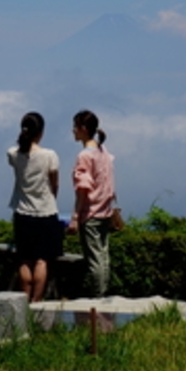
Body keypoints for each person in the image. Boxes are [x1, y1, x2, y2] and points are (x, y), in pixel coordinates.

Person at [7, 112, 63, 302]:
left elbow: (17, 154)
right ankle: (36, 302)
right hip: (46, 212)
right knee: (41, 260)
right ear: (41, 132)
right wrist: (50, 197)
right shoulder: (50, 156)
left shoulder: (13, 154)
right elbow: (54, 184)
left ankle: (23, 302)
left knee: (24, 260)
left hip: (22, 212)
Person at [69, 109, 115, 298]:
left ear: (83, 129)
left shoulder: (85, 156)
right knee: (103, 256)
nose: (73, 131)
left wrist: (75, 216)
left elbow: (83, 189)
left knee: (94, 260)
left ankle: (97, 298)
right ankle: (104, 294)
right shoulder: (103, 151)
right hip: (106, 210)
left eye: (75, 127)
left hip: (91, 212)